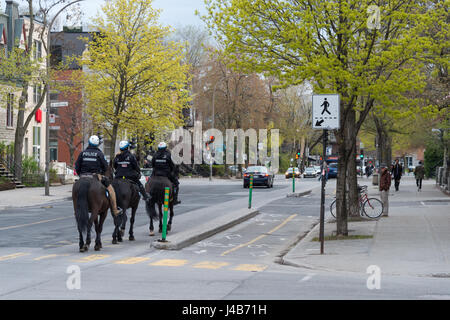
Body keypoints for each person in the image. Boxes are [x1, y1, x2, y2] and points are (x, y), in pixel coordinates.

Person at [74, 135, 122, 217]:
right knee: (111, 190)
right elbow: (106, 167)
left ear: (89, 142)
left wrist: (81, 175)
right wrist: (102, 174)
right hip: (96, 176)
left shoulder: (82, 153)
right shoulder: (99, 154)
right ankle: (115, 210)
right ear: (97, 144)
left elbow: (77, 166)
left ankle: (76, 210)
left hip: (83, 176)